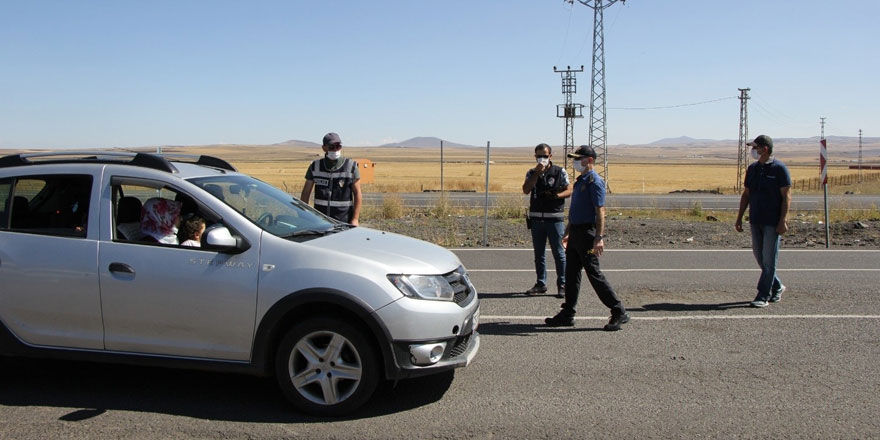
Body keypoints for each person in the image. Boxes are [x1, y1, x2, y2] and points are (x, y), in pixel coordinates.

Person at [545, 145, 629, 331]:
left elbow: (600, 210)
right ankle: (568, 313)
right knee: (571, 273)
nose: (575, 162)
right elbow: (576, 210)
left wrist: (599, 237)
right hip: (576, 233)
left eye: (578, 158)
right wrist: (568, 231)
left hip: (588, 234)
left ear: (589, 160)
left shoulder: (595, 182)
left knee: (593, 273)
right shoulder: (581, 180)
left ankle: (618, 310)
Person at [735, 135, 792, 308]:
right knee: (760, 258)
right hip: (755, 219)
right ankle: (777, 286)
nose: (753, 151)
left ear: (764, 149)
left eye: (755, 147)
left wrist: (783, 221)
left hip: (772, 222)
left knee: (769, 260)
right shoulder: (752, 169)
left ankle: (763, 295)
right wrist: (739, 218)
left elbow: (786, 197)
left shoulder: (779, 169)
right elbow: (747, 194)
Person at [522, 143, 572, 298]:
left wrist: (556, 196)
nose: (541, 158)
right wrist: (536, 174)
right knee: (539, 254)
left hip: (554, 218)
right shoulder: (531, 173)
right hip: (537, 219)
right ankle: (541, 283)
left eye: (544, 155)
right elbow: (526, 190)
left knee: (559, 253)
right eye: (538, 156)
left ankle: (563, 284)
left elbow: (569, 190)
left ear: (550, 156)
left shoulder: (559, 171)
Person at [300, 132, 362, 226]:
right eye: (332, 147)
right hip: (320, 222)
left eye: (338, 146)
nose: (336, 149)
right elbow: (305, 193)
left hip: (344, 221)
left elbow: (357, 193)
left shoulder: (351, 166)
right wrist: (304, 216)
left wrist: (355, 219)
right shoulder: (315, 166)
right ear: (324, 148)